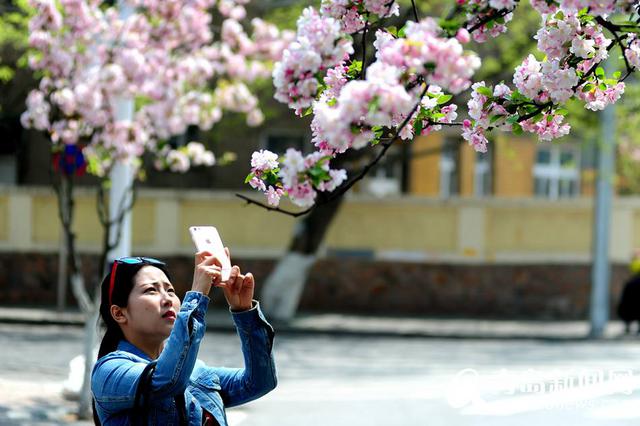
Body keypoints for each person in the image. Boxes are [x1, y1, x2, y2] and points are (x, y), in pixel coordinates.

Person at [91, 250, 277, 425]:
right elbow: (166, 381)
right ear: (119, 313)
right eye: (151, 290)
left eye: (170, 290)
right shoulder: (109, 371)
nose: (167, 299)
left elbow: (259, 382)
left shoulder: (196, 371)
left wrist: (244, 312)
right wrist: (197, 294)